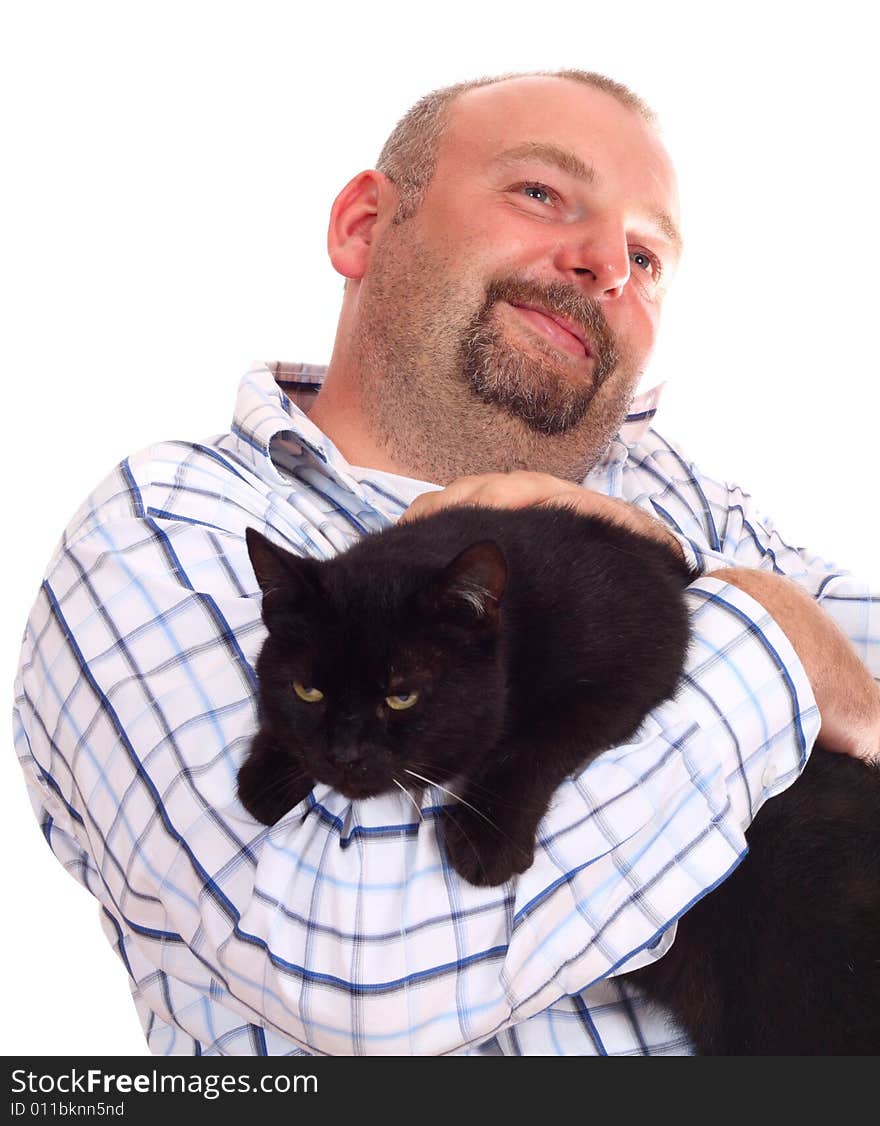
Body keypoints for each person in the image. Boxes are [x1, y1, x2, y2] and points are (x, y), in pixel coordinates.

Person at [12, 68, 879, 1056]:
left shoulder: (683, 502)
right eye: (542, 194)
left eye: (644, 254)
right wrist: (774, 637)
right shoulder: (166, 523)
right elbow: (359, 967)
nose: (605, 264)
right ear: (362, 225)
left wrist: (725, 591)